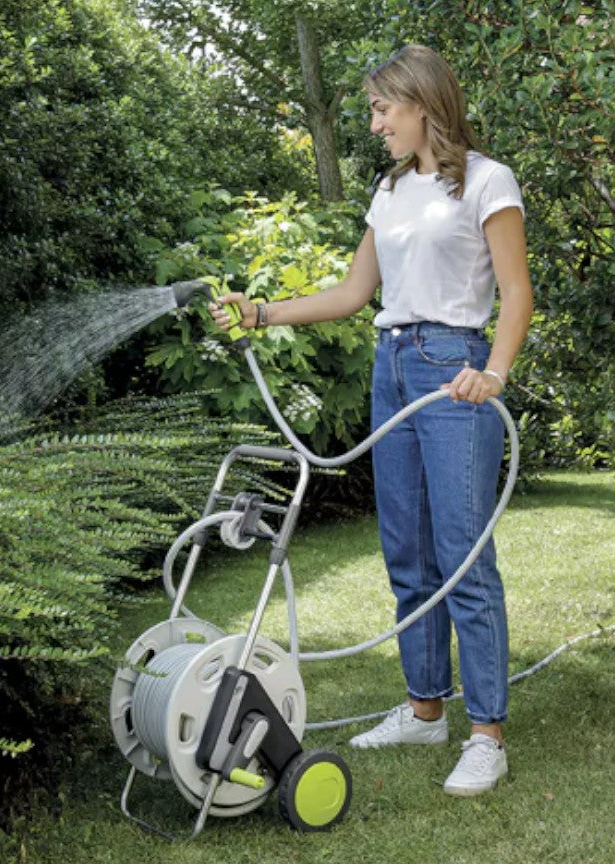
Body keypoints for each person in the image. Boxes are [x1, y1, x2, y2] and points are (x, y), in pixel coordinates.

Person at [208, 44, 533, 796]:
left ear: (423, 103)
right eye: (373, 111)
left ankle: (487, 733)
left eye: (384, 108)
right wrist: (261, 313)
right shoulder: (389, 191)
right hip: (391, 365)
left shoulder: (487, 181)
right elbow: (355, 292)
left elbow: (515, 292)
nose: (376, 122)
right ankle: (425, 709)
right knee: (408, 554)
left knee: (462, 558)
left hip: (453, 371)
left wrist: (495, 372)